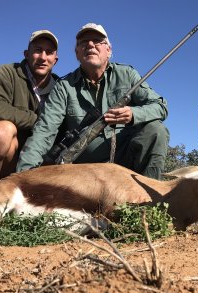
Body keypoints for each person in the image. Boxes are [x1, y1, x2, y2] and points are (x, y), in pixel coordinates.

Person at [17, 23, 169, 179]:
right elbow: (44, 130)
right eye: (83, 43)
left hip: (125, 161)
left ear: (108, 50)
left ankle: (149, 200)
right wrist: (22, 176)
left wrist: (133, 114)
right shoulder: (64, 86)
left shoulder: (127, 75)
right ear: (77, 53)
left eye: (97, 41)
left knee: (156, 130)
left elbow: (160, 106)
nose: (90, 45)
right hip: (82, 169)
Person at [0, 30, 59, 184]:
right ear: (26, 54)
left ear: (55, 60)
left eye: (49, 52)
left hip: (33, 158)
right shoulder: (4, 73)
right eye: (37, 50)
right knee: (2, 132)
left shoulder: (60, 87)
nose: (43, 57)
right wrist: (39, 121)